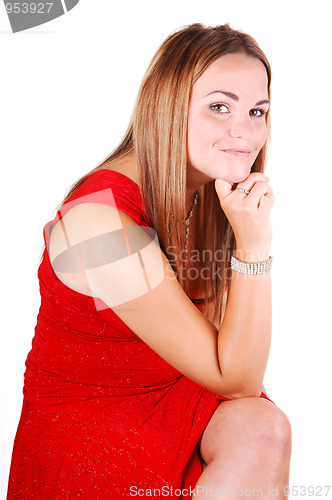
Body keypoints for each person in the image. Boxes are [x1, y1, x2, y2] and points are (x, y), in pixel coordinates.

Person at [7, 23, 291, 499]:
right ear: (167, 107)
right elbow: (236, 377)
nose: (245, 130)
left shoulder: (205, 191)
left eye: (257, 110)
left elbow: (233, 361)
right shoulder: (101, 226)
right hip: (92, 431)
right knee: (254, 416)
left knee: (262, 427)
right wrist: (254, 247)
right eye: (220, 107)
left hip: (170, 397)